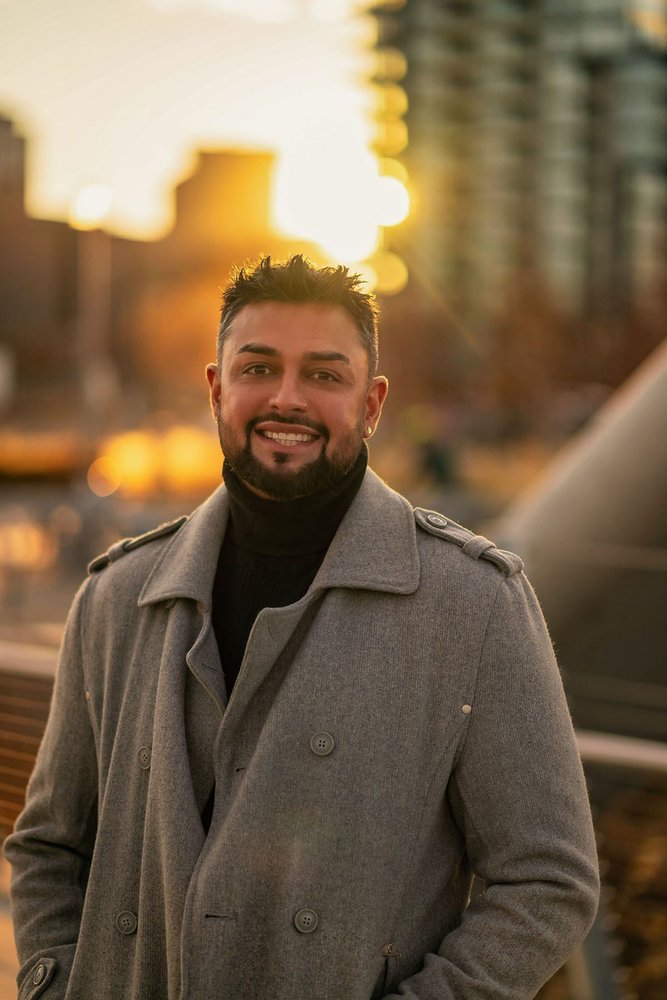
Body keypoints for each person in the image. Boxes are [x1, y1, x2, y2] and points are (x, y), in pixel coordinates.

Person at [4, 255, 599, 1000]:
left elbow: (549, 878)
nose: (287, 398)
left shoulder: (474, 603)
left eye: (323, 374)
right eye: (258, 369)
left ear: (371, 404)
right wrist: (57, 985)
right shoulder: (116, 596)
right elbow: (48, 847)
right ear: (217, 390)